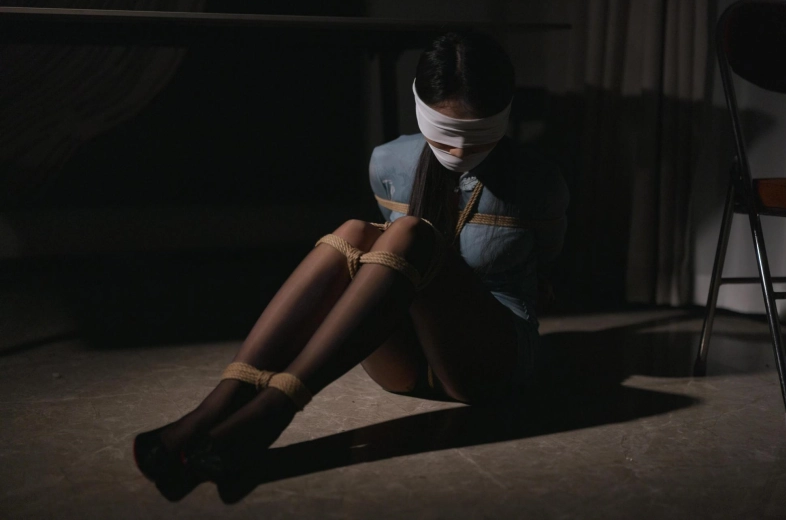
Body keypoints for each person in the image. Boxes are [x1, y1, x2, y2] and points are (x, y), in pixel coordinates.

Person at [133, 30, 569, 484]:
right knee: (357, 232)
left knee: (410, 233)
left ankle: (274, 408)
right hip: (404, 361)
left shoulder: (538, 183)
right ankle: (220, 405)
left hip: (488, 360)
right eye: (447, 136)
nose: (459, 151)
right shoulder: (388, 163)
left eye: (477, 136)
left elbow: (546, 266)